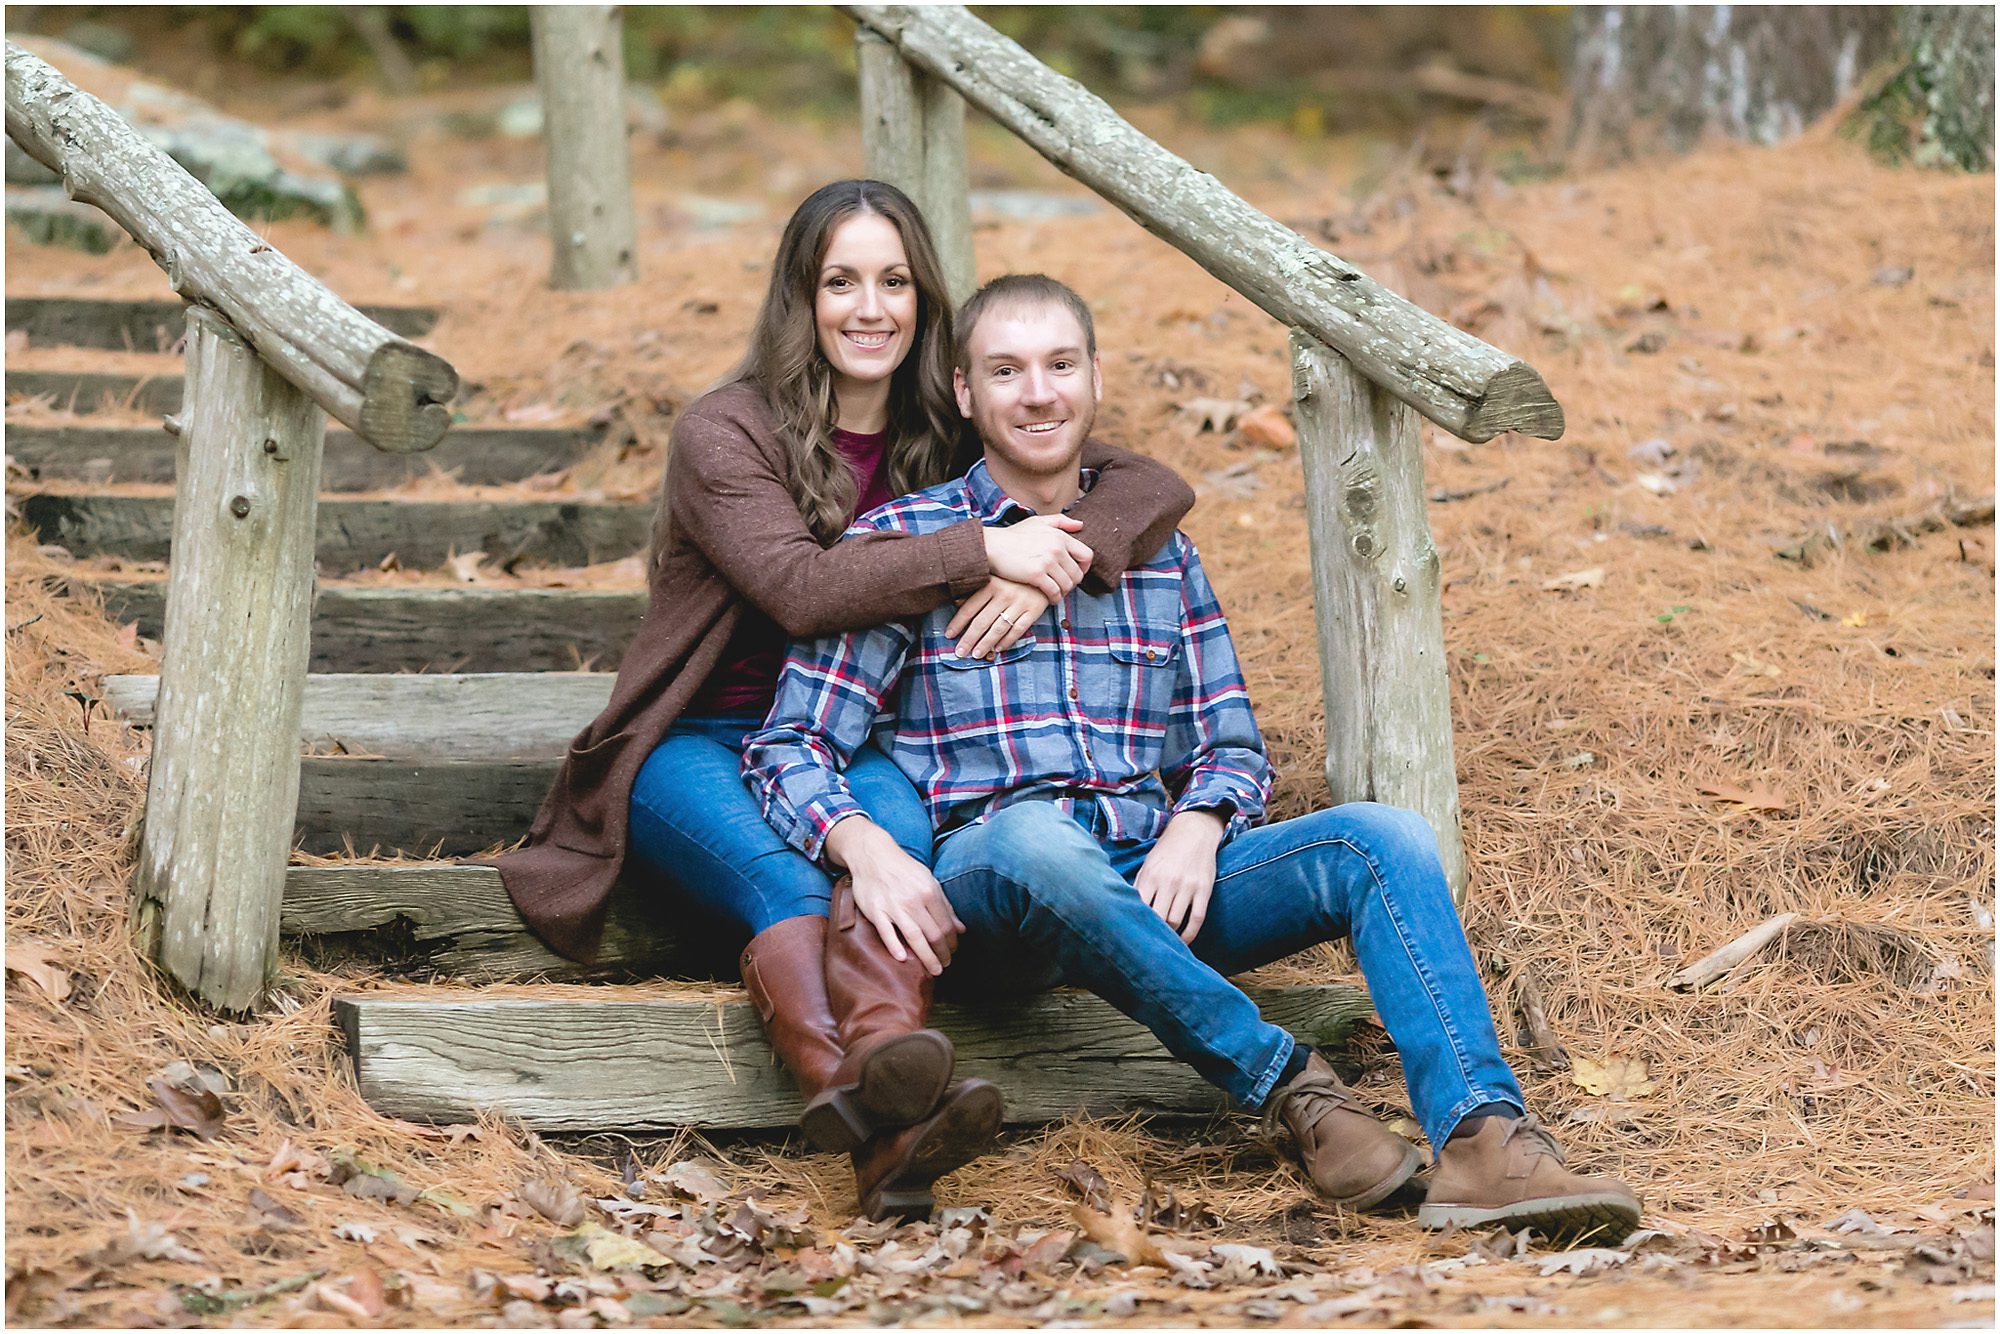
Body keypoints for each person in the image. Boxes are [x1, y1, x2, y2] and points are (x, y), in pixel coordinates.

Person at [743, 273, 1643, 1237]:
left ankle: (1483, 1139)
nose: (1037, 393)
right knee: (1037, 841)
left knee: (1381, 839)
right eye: (1005, 371)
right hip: (993, 884)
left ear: (1096, 378)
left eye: (1059, 365)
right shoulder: (910, 543)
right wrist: (862, 845)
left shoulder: (1162, 555)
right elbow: (788, 743)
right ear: (965, 392)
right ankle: (1295, 1090)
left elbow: (1230, 745)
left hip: (1153, 877)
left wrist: (1200, 823)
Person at [494, 186, 1194, 1219]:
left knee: (895, 853)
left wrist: (1049, 557)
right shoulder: (723, 433)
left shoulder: (939, 427)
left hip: (851, 738)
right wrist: (984, 547)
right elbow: (801, 587)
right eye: (840, 281)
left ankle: (879, 1127)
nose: (869, 307)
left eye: (893, 281)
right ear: (800, 298)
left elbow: (1148, 481)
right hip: (700, 736)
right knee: (794, 880)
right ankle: (871, 1091)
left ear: (923, 302)